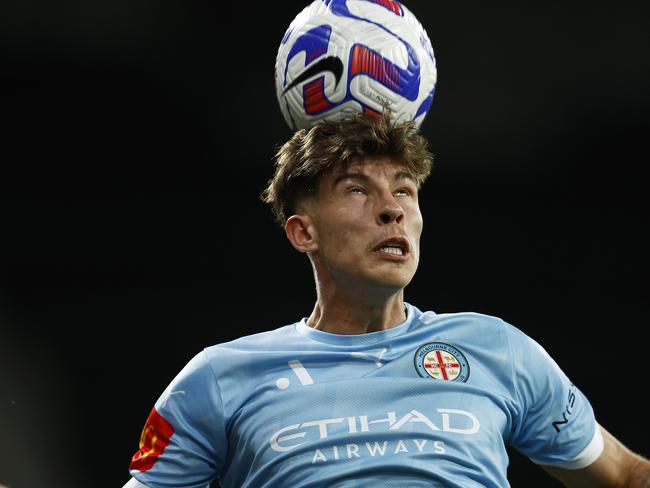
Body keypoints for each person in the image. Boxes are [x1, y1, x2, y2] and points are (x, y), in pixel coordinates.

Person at [123, 114, 649, 488]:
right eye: (356, 190)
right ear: (302, 232)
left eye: (403, 190)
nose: (391, 210)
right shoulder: (221, 377)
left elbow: (624, 475)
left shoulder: (495, 348)